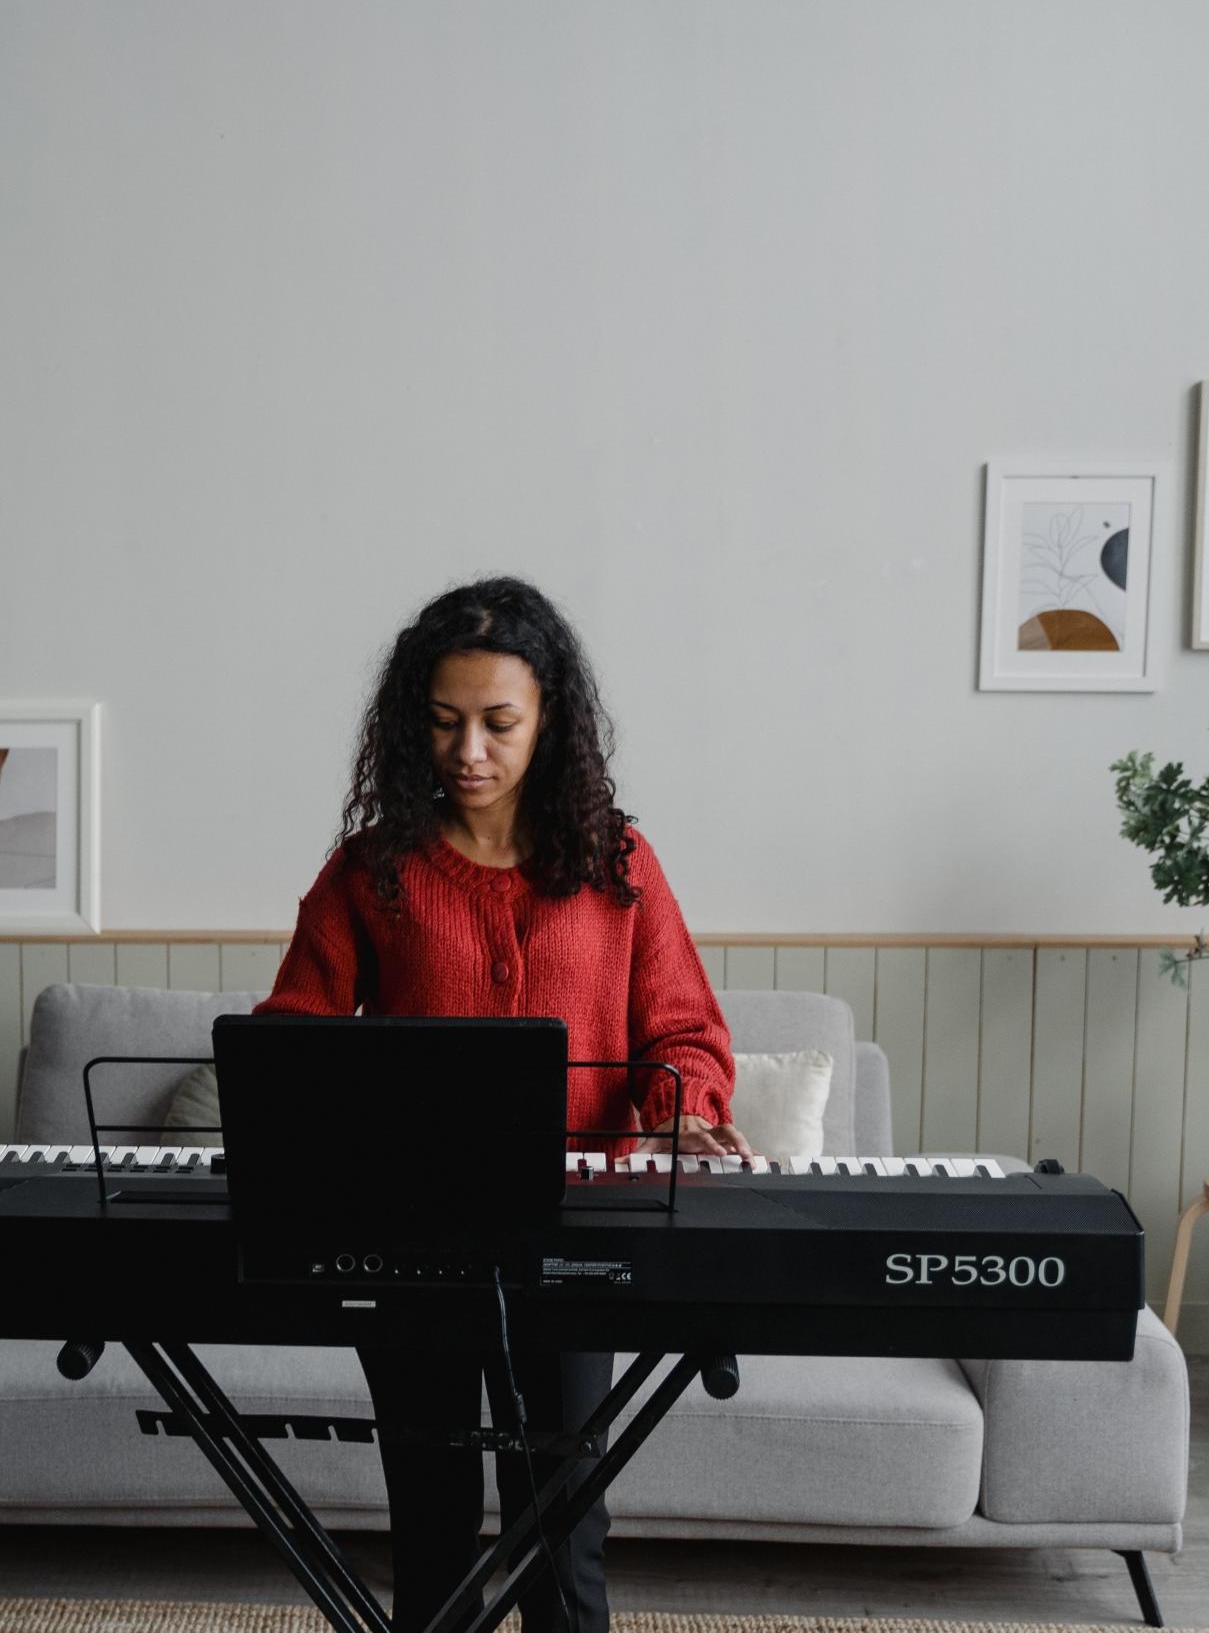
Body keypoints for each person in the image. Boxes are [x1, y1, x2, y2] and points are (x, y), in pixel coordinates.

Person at [253, 575, 747, 1633]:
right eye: (441, 723)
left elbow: (684, 1034)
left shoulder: (619, 865)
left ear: (550, 718)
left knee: (562, 1530)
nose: (467, 750)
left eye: (497, 723)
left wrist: (681, 1106)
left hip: (579, 1241)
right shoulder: (371, 869)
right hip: (408, 1240)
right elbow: (289, 1035)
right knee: (428, 1530)